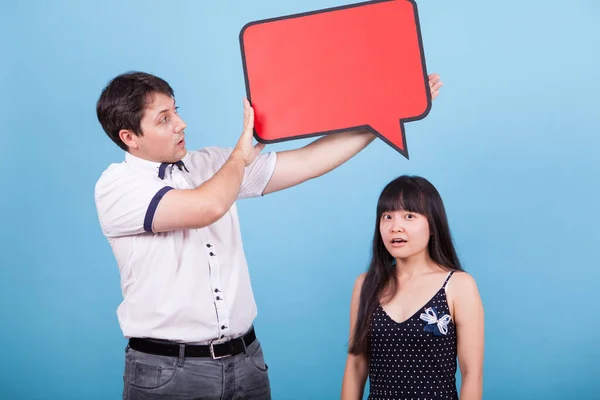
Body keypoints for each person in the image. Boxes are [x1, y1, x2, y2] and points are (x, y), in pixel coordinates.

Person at [94, 71, 443, 400]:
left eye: (176, 111)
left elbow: (308, 161)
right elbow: (208, 206)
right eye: (163, 119)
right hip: (169, 371)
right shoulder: (118, 187)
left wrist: (387, 115)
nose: (180, 124)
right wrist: (240, 157)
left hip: (246, 361)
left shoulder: (211, 165)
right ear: (129, 138)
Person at [341, 175, 484, 400]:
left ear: (433, 225)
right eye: (387, 216)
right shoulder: (365, 284)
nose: (395, 227)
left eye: (409, 216)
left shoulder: (458, 285)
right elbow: (356, 364)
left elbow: (472, 374)